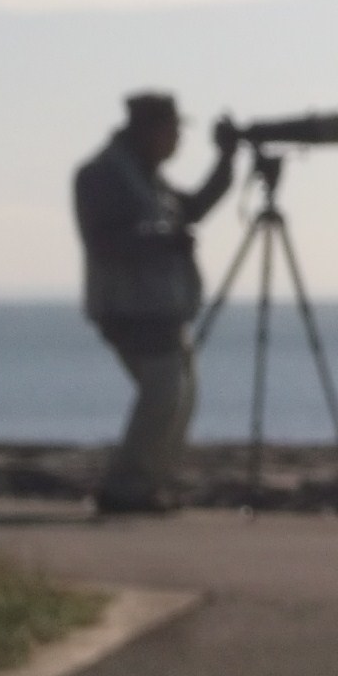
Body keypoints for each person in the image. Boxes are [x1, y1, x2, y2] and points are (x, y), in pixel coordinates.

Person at [73, 92, 238, 513]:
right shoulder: (101, 176)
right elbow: (104, 240)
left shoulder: (148, 178)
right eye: (173, 131)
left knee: (179, 397)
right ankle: (124, 489)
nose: (177, 142)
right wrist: (162, 238)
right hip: (128, 307)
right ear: (150, 131)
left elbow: (194, 208)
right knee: (163, 393)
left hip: (161, 307)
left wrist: (226, 161)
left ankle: (143, 487)